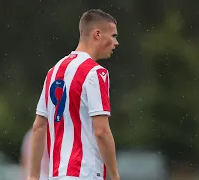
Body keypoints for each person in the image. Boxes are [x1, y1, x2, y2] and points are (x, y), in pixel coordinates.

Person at [27, 9, 120, 180]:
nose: (116, 43)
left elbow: (38, 127)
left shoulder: (53, 72)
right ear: (97, 34)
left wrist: (32, 176)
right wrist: (115, 176)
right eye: (113, 36)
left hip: (57, 175)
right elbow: (101, 131)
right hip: (85, 173)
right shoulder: (95, 73)